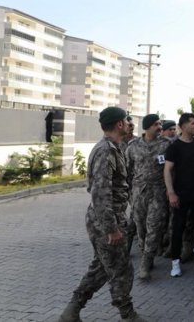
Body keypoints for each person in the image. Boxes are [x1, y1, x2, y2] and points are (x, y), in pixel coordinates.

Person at [58, 107, 147, 322]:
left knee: (101, 267)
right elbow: (100, 193)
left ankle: (72, 310)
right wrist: (112, 228)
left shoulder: (113, 148)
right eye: (126, 121)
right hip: (106, 221)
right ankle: (128, 314)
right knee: (121, 269)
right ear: (119, 124)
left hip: (107, 218)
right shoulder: (106, 150)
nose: (129, 124)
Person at [125, 114, 171, 280]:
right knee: (141, 228)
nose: (159, 127)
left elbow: (172, 168)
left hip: (158, 192)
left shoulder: (166, 145)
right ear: (147, 127)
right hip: (138, 193)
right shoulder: (133, 146)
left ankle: (145, 263)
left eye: (160, 124)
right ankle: (147, 253)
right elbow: (127, 171)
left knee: (154, 226)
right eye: (156, 124)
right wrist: (129, 192)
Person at [164, 113, 194, 277]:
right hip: (180, 194)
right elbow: (167, 170)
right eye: (193, 123)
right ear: (182, 126)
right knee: (178, 228)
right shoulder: (174, 147)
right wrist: (171, 193)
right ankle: (175, 262)